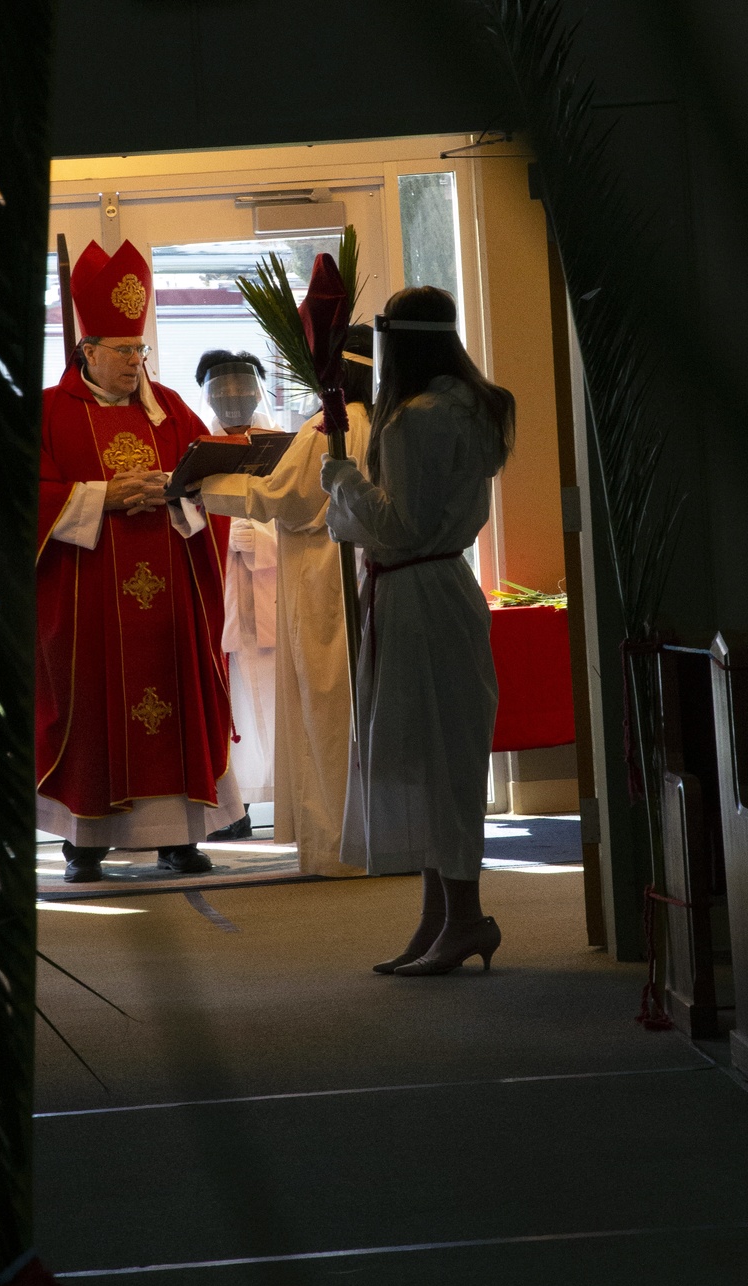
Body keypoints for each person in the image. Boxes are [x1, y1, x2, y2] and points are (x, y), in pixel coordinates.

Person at [320, 287, 515, 974]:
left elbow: (400, 525)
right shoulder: (479, 406)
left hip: (415, 598)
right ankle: (441, 917)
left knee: (430, 755)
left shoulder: (411, 421)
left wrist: (342, 480)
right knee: (445, 757)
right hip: (448, 589)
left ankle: (461, 918)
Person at [37, 238, 243, 882]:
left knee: (175, 699)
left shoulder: (173, 409)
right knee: (93, 708)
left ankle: (179, 837)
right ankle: (86, 842)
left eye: (140, 349)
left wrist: (177, 492)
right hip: (89, 599)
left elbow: (213, 482)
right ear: (87, 351)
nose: (135, 362)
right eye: (123, 351)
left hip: (169, 601)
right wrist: (98, 498)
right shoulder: (48, 412)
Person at [198, 324, 375, 877]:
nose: (234, 399)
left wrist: (193, 487)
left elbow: (285, 499)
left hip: (322, 582)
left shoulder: (327, 429)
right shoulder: (385, 421)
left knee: (326, 708)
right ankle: (380, 837)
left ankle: (337, 848)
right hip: (365, 578)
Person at [195, 351, 278, 840]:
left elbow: (305, 514)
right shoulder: (197, 447)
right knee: (232, 703)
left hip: (268, 588)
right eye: (222, 392)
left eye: (243, 391)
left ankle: (284, 793)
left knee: (273, 692)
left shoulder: (280, 445)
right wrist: (226, 539)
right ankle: (233, 807)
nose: (234, 401)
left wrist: (260, 539)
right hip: (221, 588)